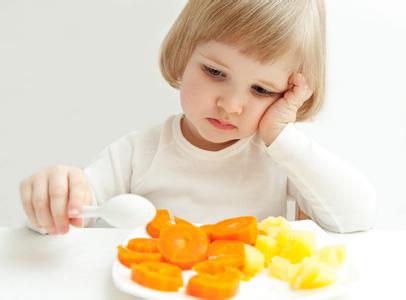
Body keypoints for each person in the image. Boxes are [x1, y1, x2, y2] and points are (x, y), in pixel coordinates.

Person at [19, 0, 376, 235]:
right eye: (215, 72)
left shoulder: (277, 159)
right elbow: (66, 218)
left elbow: (357, 217)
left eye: (261, 90)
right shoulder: (136, 154)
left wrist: (281, 136)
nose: (231, 105)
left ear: (287, 92)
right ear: (184, 54)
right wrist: (53, 195)